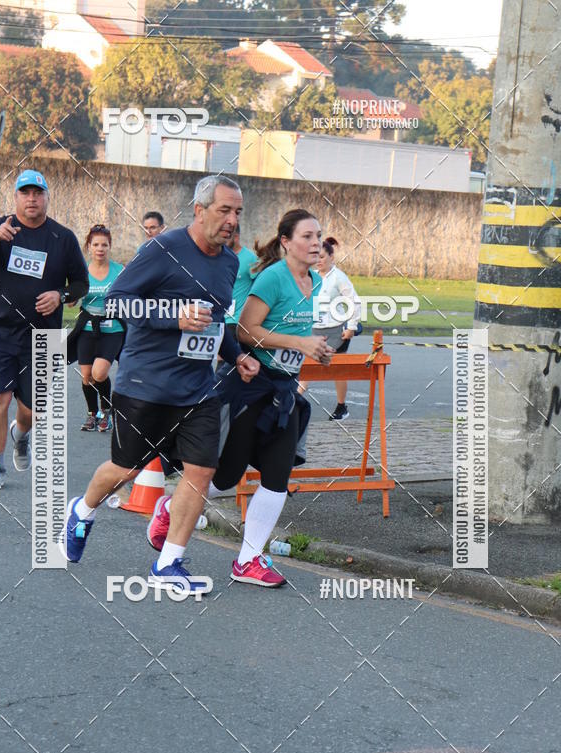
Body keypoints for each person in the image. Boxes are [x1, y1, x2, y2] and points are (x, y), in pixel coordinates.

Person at [60, 175, 259, 595]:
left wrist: (236, 355)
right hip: (145, 383)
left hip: (198, 388)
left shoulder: (229, 263)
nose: (232, 220)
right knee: (127, 468)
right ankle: (82, 510)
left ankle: (168, 563)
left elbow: (218, 319)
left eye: (238, 212)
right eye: (225, 210)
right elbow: (116, 300)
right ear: (200, 210)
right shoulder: (163, 248)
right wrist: (174, 316)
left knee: (200, 472)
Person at [148, 209, 334, 588]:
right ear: (286, 242)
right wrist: (299, 342)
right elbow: (246, 331)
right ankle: (170, 506)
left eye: (318, 236)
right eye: (308, 237)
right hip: (249, 386)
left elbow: (291, 333)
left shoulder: (312, 280)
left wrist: (311, 351)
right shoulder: (273, 277)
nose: (316, 244)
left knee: (277, 477)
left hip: (283, 390)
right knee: (228, 476)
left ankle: (248, 560)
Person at [0, 169, 88, 489]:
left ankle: (21, 433)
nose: (31, 198)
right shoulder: (0, 227)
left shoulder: (63, 238)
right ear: (16, 197)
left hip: (43, 334)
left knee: (32, 408)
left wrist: (60, 295)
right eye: (25, 192)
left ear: (47, 197)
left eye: (38, 193)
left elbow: (81, 284)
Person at [298, 236, 361, 421]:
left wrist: (351, 327)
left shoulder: (339, 278)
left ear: (331, 257)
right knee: (307, 365)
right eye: (316, 256)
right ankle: (293, 399)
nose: (318, 260)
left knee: (337, 369)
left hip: (337, 330)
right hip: (315, 328)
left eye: (322, 257)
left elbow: (354, 302)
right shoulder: (309, 275)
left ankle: (341, 407)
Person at [76, 225, 124, 433]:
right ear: (88, 247)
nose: (100, 248)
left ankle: (106, 411)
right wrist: (70, 297)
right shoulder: (81, 271)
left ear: (110, 247)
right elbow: (72, 299)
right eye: (95, 244)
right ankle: (92, 414)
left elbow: (130, 295)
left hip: (112, 329)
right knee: (87, 376)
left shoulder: (120, 271)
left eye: (104, 244)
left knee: (100, 372)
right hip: (87, 328)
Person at [224, 223, 258, 340]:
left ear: (236, 237)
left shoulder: (250, 258)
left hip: (236, 321)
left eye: (228, 236)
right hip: (218, 318)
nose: (223, 239)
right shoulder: (218, 257)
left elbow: (261, 287)